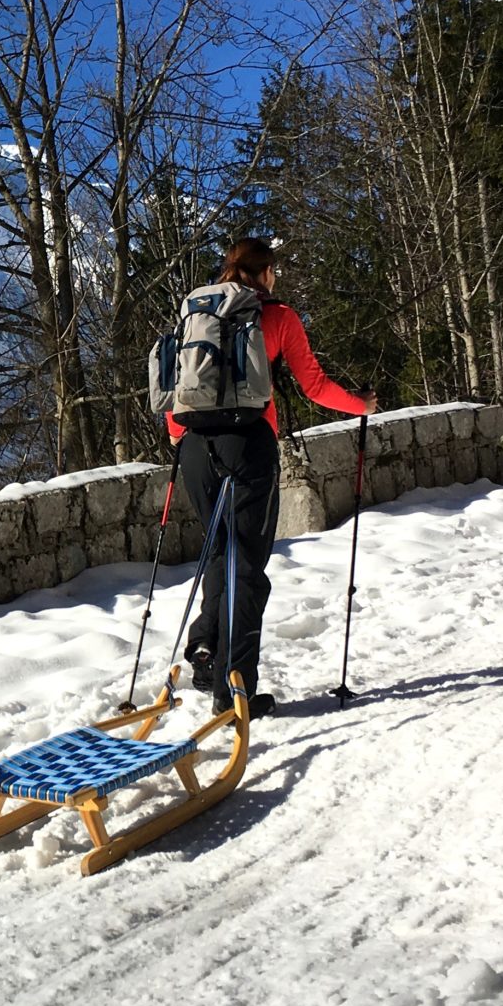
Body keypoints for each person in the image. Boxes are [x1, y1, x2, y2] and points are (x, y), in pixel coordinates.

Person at [166, 238, 375, 718]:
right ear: (265, 273)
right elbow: (315, 385)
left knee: (220, 549)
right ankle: (234, 690)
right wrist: (361, 405)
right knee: (248, 568)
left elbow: (178, 387)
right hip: (249, 445)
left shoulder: (196, 312)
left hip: (196, 446)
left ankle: (205, 647)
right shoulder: (276, 316)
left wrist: (182, 439)